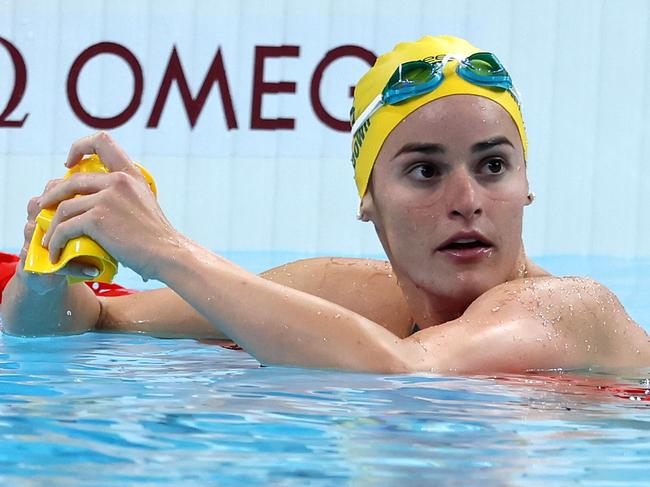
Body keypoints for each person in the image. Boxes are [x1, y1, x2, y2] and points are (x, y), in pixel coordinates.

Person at [1, 35, 649, 374]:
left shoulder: (566, 308)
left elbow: (405, 371)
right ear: (367, 199)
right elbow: (88, 324)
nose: (467, 201)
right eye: (425, 170)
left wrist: (167, 250)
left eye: (494, 166)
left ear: (527, 184)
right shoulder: (348, 295)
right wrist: (44, 269)